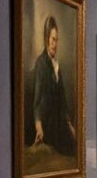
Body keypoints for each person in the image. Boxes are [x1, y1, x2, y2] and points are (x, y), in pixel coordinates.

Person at [31, 15, 76, 156]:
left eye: (57, 40)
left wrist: (69, 123)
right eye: (52, 39)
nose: (55, 44)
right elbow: (37, 101)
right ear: (46, 39)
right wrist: (39, 126)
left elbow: (62, 98)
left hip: (60, 124)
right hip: (48, 126)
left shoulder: (57, 65)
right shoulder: (41, 63)